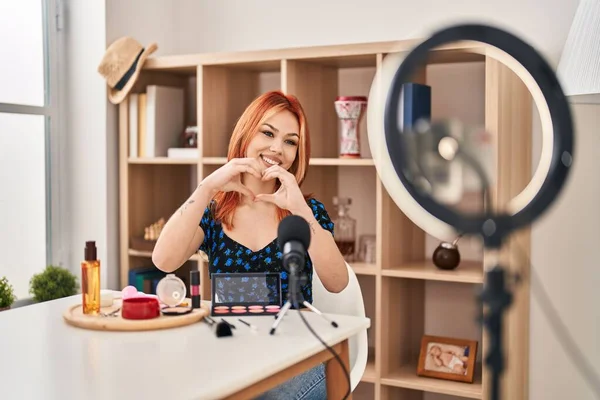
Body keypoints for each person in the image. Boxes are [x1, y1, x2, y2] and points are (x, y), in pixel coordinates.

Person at [152, 90, 349, 399]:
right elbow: (163, 260)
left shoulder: (307, 211)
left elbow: (337, 283)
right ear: (246, 134)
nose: (276, 148)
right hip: (229, 353)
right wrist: (206, 187)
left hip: (296, 357)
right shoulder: (215, 210)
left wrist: (301, 210)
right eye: (267, 133)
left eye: (290, 141)